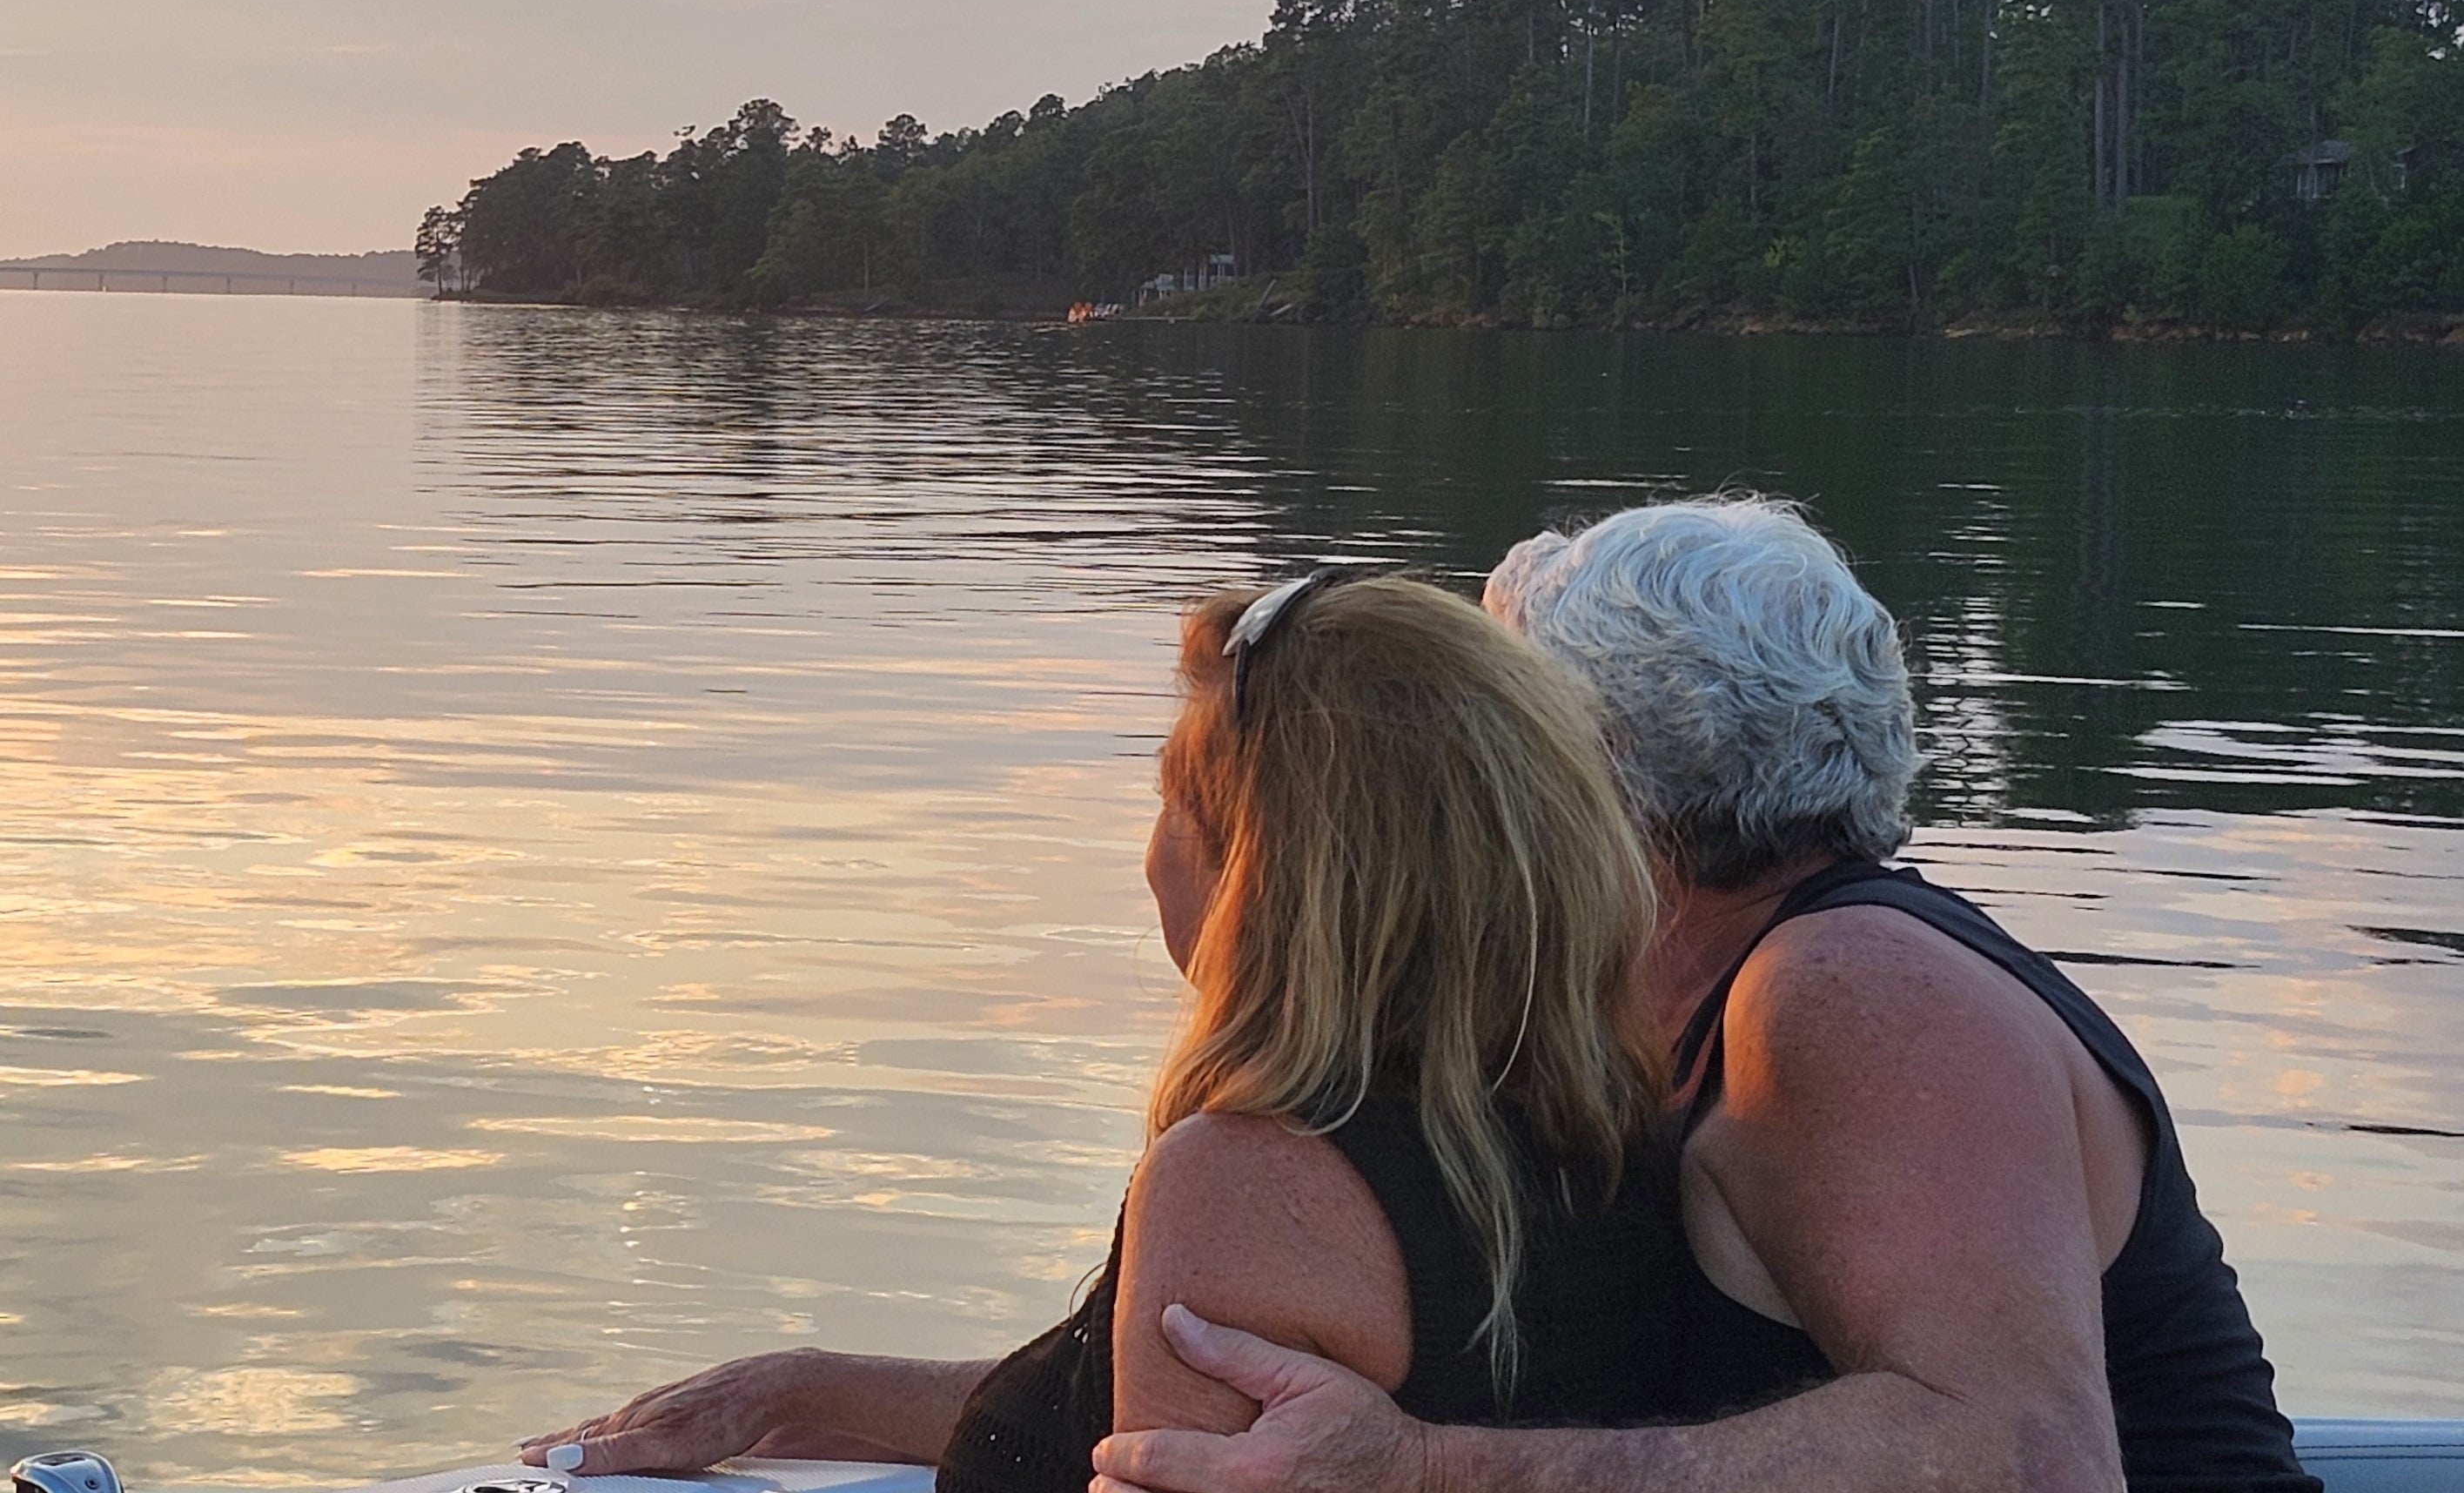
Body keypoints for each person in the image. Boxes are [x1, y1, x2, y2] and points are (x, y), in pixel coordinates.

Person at [1092, 499, 2320, 1493]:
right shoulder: (1648, 1024)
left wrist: (1421, 1470)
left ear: (1582, 770)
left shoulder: (1848, 986)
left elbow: (2031, 1465)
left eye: (1496, 737)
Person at [521, 571, 1696, 1490]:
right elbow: (1137, 1409)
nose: (1147, 855)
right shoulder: (1611, 1122)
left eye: (1168, 803)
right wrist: (806, 1389)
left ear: (1262, 872)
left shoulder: (1248, 1182)